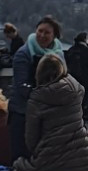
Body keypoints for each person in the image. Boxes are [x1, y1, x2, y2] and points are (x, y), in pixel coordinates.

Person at [10, 54, 88, 171]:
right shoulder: (75, 90)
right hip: (84, 161)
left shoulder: (37, 99)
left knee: (18, 163)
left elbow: (31, 138)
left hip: (50, 160)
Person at [12, 16, 65, 163]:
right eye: (40, 31)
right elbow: (21, 86)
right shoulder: (23, 54)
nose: (42, 35)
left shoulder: (59, 54)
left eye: (47, 33)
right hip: (23, 111)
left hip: (47, 113)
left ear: (54, 35)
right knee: (22, 154)